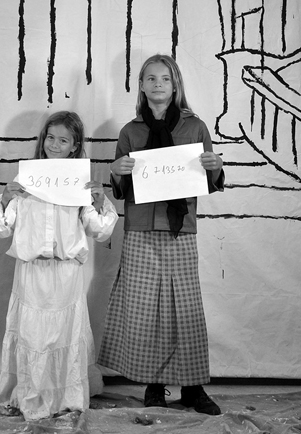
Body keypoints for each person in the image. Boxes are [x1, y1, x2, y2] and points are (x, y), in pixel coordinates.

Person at [97, 54, 225, 416]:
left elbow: (209, 181)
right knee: (145, 308)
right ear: (141, 85)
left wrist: (215, 167)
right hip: (140, 227)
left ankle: (193, 388)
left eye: (165, 78)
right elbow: (120, 189)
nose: (158, 84)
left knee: (186, 307)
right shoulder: (130, 131)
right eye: (150, 78)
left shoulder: (195, 127)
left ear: (175, 85)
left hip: (179, 228)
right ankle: (153, 384)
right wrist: (116, 170)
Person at [0, 111, 119, 420]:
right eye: (50, 138)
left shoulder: (79, 184)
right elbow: (1, 228)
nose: (55, 145)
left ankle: (64, 397)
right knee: (32, 335)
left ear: (74, 146)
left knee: (63, 335)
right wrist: (5, 198)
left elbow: (99, 230)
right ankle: (30, 394)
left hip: (66, 273)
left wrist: (99, 202)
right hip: (32, 272)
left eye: (63, 140)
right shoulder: (27, 180)